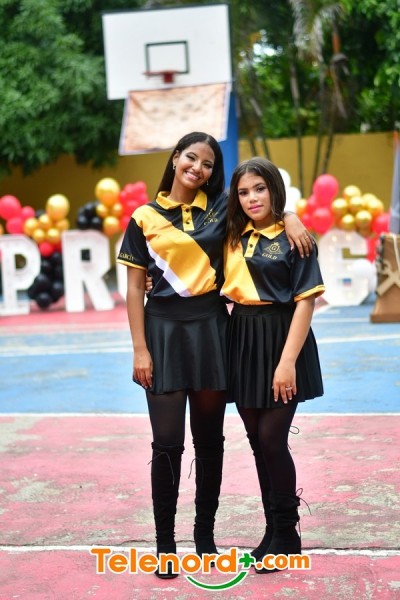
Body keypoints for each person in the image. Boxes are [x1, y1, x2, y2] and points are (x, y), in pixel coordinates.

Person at [116, 132, 312, 579]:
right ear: (175, 159)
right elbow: (133, 287)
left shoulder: (222, 207)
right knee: (167, 443)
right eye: (191, 158)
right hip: (161, 334)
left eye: (207, 163)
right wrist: (140, 349)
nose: (198, 168)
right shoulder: (143, 217)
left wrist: (293, 217)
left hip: (211, 330)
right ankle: (165, 545)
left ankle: (204, 537)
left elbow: (262, 203)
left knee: (209, 441)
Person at [221, 157, 325, 573]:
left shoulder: (296, 238)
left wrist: (287, 363)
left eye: (260, 189)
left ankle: (288, 534)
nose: (252, 198)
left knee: (271, 438)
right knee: (256, 440)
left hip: (284, 340)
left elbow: (306, 302)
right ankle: (273, 532)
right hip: (243, 339)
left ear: (274, 190)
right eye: (244, 192)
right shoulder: (230, 234)